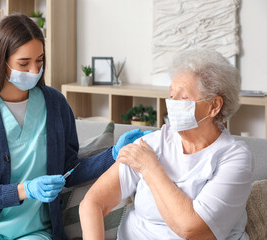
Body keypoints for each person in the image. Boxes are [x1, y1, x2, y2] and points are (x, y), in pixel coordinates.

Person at [0, 14, 144, 240]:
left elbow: (69, 168)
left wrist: (114, 154)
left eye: (39, 60)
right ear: (1, 61)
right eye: (23, 63)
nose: (34, 70)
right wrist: (25, 189)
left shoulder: (55, 105)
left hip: (34, 231)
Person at [79, 49, 253, 240]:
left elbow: (193, 230)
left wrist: (149, 168)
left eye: (184, 97)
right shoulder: (154, 142)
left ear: (214, 106)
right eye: (172, 96)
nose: (173, 104)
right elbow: (93, 202)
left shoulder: (234, 157)